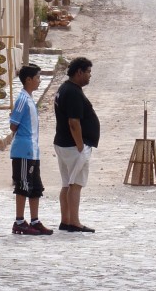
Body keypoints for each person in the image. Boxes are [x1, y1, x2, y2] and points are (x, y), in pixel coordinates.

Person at [54, 56, 100, 233]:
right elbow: (74, 122)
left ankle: (65, 220)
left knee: (67, 183)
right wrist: (80, 145)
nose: (89, 76)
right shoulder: (72, 92)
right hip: (73, 146)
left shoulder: (65, 88)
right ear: (79, 72)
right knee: (75, 184)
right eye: (88, 72)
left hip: (63, 143)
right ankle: (74, 221)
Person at [9, 63, 53, 235]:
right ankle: (19, 220)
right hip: (23, 150)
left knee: (35, 186)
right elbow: (13, 125)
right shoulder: (22, 100)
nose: (39, 81)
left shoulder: (29, 99)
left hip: (33, 150)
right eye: (37, 78)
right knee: (23, 185)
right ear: (28, 80)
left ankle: (34, 220)